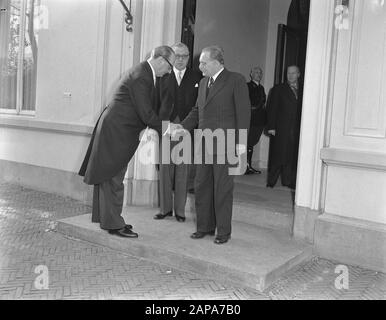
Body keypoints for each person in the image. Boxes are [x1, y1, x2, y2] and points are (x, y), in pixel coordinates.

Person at [78, 46, 178, 238]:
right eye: (169, 67)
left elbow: (148, 110)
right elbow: (146, 113)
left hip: (117, 130)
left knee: (109, 176)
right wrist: (168, 128)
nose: (169, 71)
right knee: (113, 177)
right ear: (160, 60)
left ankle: (108, 219)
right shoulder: (142, 76)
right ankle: (114, 224)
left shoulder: (146, 73)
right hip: (116, 131)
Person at [175, 45, 250, 244]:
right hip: (204, 145)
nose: (200, 67)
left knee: (223, 189)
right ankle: (204, 227)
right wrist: (183, 127)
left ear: (216, 62)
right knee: (201, 186)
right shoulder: (203, 82)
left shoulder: (236, 80)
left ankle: (223, 232)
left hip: (226, 145)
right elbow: (196, 111)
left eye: (203, 63)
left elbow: (243, 114)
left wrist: (241, 146)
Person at [154, 42, 201, 222]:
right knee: (165, 169)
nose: (180, 60)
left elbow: (199, 106)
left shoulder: (197, 77)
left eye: (184, 56)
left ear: (189, 58)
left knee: (183, 170)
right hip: (166, 126)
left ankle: (179, 211)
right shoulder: (162, 75)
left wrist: (187, 125)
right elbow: (155, 102)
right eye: (177, 56)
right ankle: (165, 209)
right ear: (172, 57)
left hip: (186, 127)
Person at [266, 65, 302, 189]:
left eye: (293, 73)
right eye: (288, 73)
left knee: (292, 156)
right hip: (281, 128)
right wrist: (271, 126)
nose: (290, 75)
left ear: (298, 74)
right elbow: (272, 109)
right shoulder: (278, 89)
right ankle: (271, 182)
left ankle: (288, 181)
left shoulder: (305, 89)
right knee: (278, 155)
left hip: (297, 130)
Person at [245, 66, 266, 175]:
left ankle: (248, 166)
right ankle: (245, 166)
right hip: (250, 119)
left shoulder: (261, 88)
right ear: (251, 74)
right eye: (256, 72)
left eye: (260, 72)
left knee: (252, 143)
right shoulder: (247, 86)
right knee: (247, 142)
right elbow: (246, 102)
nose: (259, 74)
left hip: (259, 120)